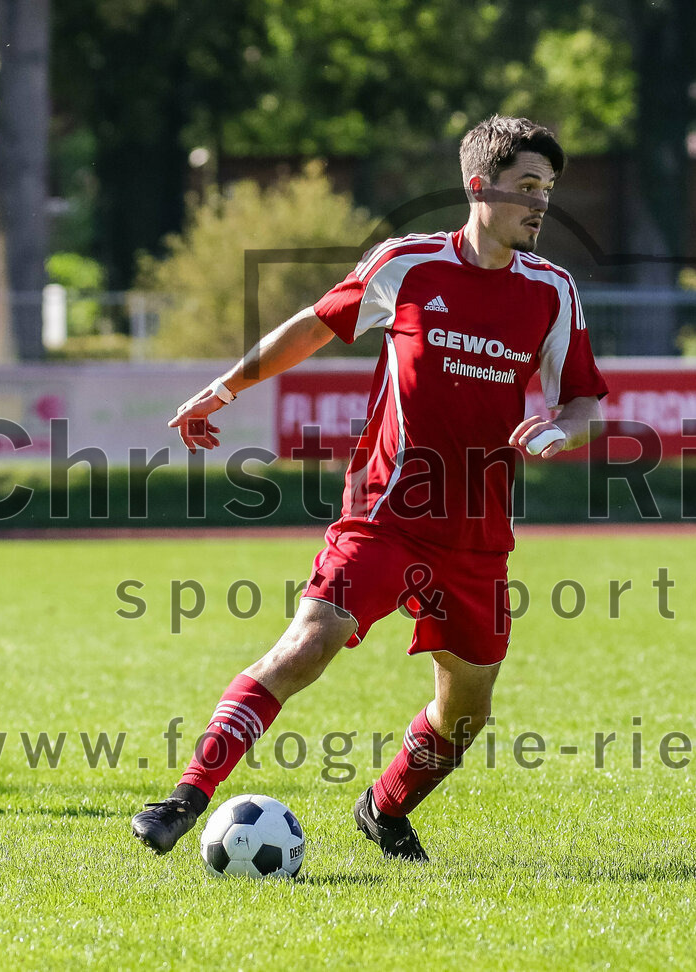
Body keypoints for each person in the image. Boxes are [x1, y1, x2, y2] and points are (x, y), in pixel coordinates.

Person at [131, 115, 608, 861]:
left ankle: (383, 810)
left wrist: (559, 430)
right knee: (305, 645)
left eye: (547, 189)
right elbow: (315, 324)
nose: (539, 203)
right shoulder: (409, 265)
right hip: (385, 513)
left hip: (476, 535)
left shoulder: (551, 291)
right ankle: (186, 797)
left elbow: (585, 401)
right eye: (525, 187)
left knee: (466, 713)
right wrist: (224, 387)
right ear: (478, 186)